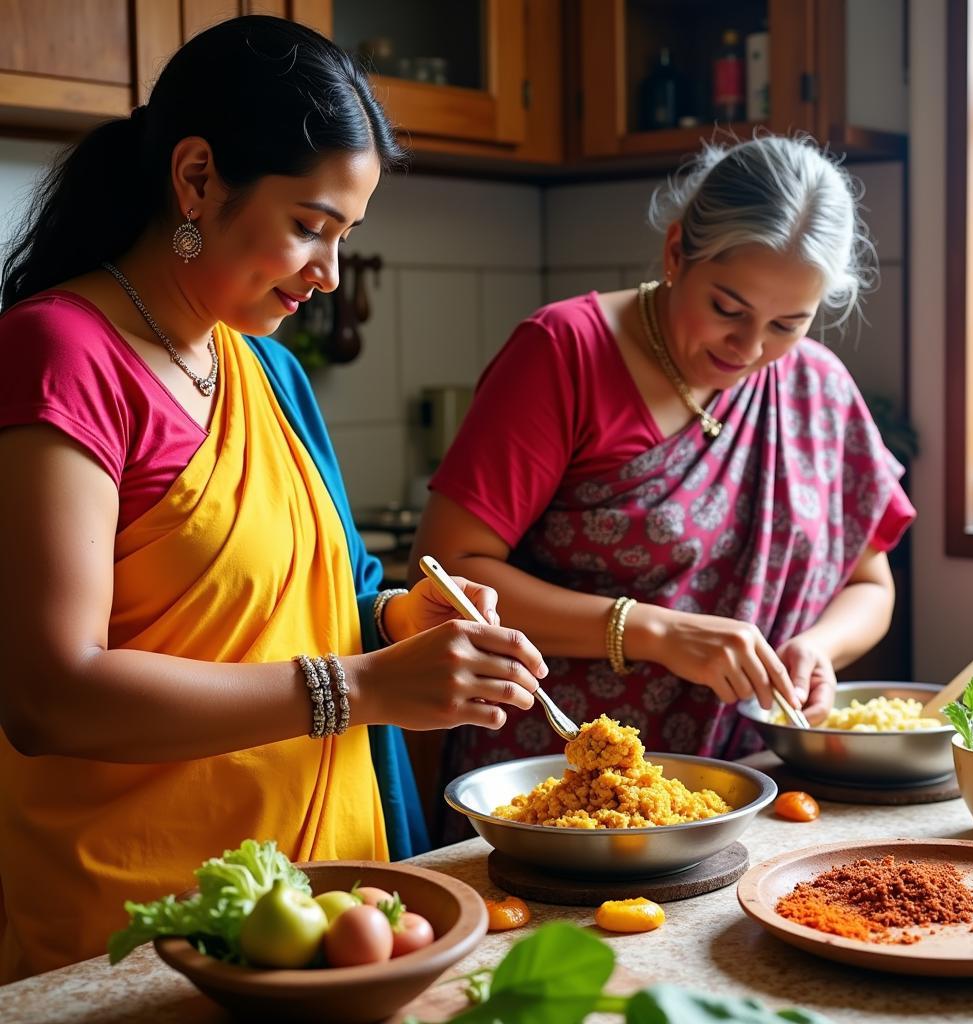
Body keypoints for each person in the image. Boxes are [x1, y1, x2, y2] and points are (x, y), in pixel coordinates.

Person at [0, 16, 547, 982]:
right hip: (141, 922)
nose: (327, 274)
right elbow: (53, 695)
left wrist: (401, 620)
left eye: (346, 238)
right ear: (199, 176)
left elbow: (329, 603)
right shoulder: (62, 355)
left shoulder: (269, 372)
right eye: (309, 227)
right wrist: (368, 688)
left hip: (324, 901)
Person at [412, 134, 915, 837]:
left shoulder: (818, 387)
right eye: (728, 308)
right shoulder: (565, 354)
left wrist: (816, 648)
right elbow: (447, 575)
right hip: (559, 785)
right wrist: (654, 632)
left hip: (739, 786)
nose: (749, 350)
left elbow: (872, 585)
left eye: (787, 324)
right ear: (677, 252)